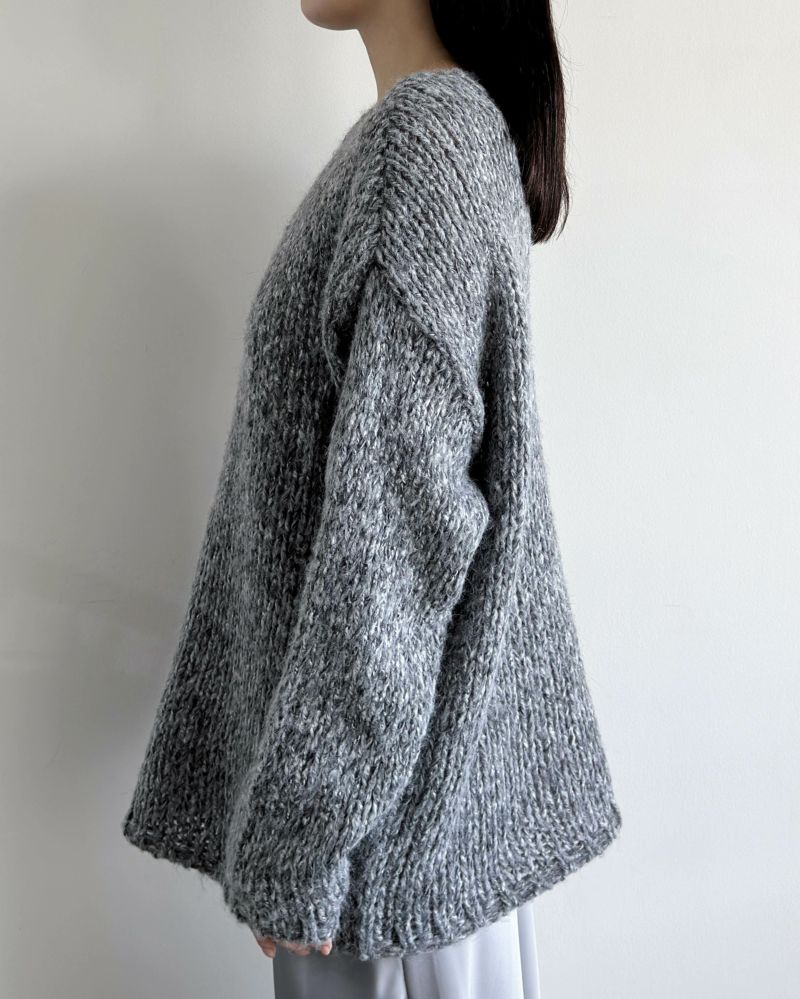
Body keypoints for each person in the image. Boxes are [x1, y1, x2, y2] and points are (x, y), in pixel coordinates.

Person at [121, 1, 623, 996]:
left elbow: (397, 539)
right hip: (401, 831)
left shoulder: (425, 143)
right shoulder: (431, 137)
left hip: (378, 853)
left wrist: (302, 832)